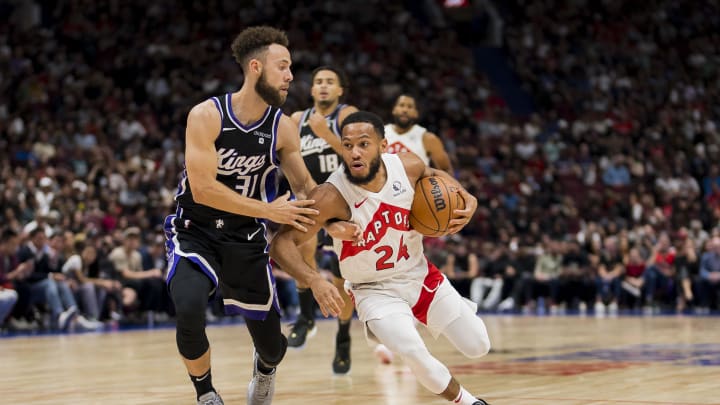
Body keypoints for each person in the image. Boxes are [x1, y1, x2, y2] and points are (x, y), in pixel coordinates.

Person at [164, 26, 342, 405]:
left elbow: (306, 190)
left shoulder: (283, 127)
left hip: (245, 239)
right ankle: (205, 394)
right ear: (256, 68)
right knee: (190, 309)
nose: (291, 76)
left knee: (274, 348)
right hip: (195, 232)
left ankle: (264, 370)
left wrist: (337, 219)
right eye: (283, 67)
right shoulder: (206, 115)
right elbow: (202, 188)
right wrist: (268, 209)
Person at [271, 111, 492, 405]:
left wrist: (467, 197)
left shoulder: (407, 166)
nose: (354, 152)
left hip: (420, 276)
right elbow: (281, 243)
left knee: (478, 346)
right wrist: (313, 280)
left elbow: (435, 175)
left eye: (364, 144)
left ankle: (414, 317)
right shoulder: (331, 195)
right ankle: (468, 401)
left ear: (383, 146)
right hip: (373, 290)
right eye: (347, 145)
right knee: (412, 350)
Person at [287, 66, 358, 374]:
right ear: (312, 90)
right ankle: (305, 317)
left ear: (340, 90)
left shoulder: (346, 115)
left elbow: (358, 157)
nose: (324, 86)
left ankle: (343, 337)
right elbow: (286, 160)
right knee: (298, 245)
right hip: (311, 197)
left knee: (343, 280)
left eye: (331, 82)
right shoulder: (295, 120)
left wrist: (326, 133)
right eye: (319, 82)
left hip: (344, 200)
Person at [385, 94, 453, 171]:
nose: (405, 110)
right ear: (394, 110)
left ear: (416, 113)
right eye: (401, 105)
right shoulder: (381, 134)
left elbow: (446, 170)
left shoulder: (428, 138)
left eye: (410, 107)